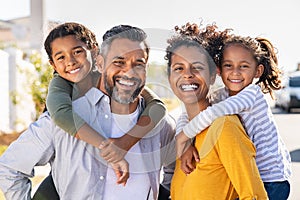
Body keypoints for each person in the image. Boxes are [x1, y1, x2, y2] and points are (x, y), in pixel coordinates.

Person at [0, 24, 176, 200]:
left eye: (139, 64)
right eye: (118, 62)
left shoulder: (161, 125)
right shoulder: (60, 122)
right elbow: (10, 169)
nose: (129, 72)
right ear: (100, 63)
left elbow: (175, 173)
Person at [175, 27, 291, 200]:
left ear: (257, 71)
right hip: (252, 174)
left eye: (243, 66)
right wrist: (182, 138)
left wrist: (183, 137)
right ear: (220, 70)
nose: (235, 72)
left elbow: (213, 113)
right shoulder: (222, 95)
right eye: (228, 65)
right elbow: (189, 114)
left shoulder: (251, 95)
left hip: (272, 181)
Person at [45, 22, 167, 168]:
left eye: (77, 52)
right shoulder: (60, 84)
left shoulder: (106, 76)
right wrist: (106, 147)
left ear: (94, 53)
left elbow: (157, 106)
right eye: (61, 57)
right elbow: (60, 114)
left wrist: (124, 143)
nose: (70, 62)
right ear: (52, 64)